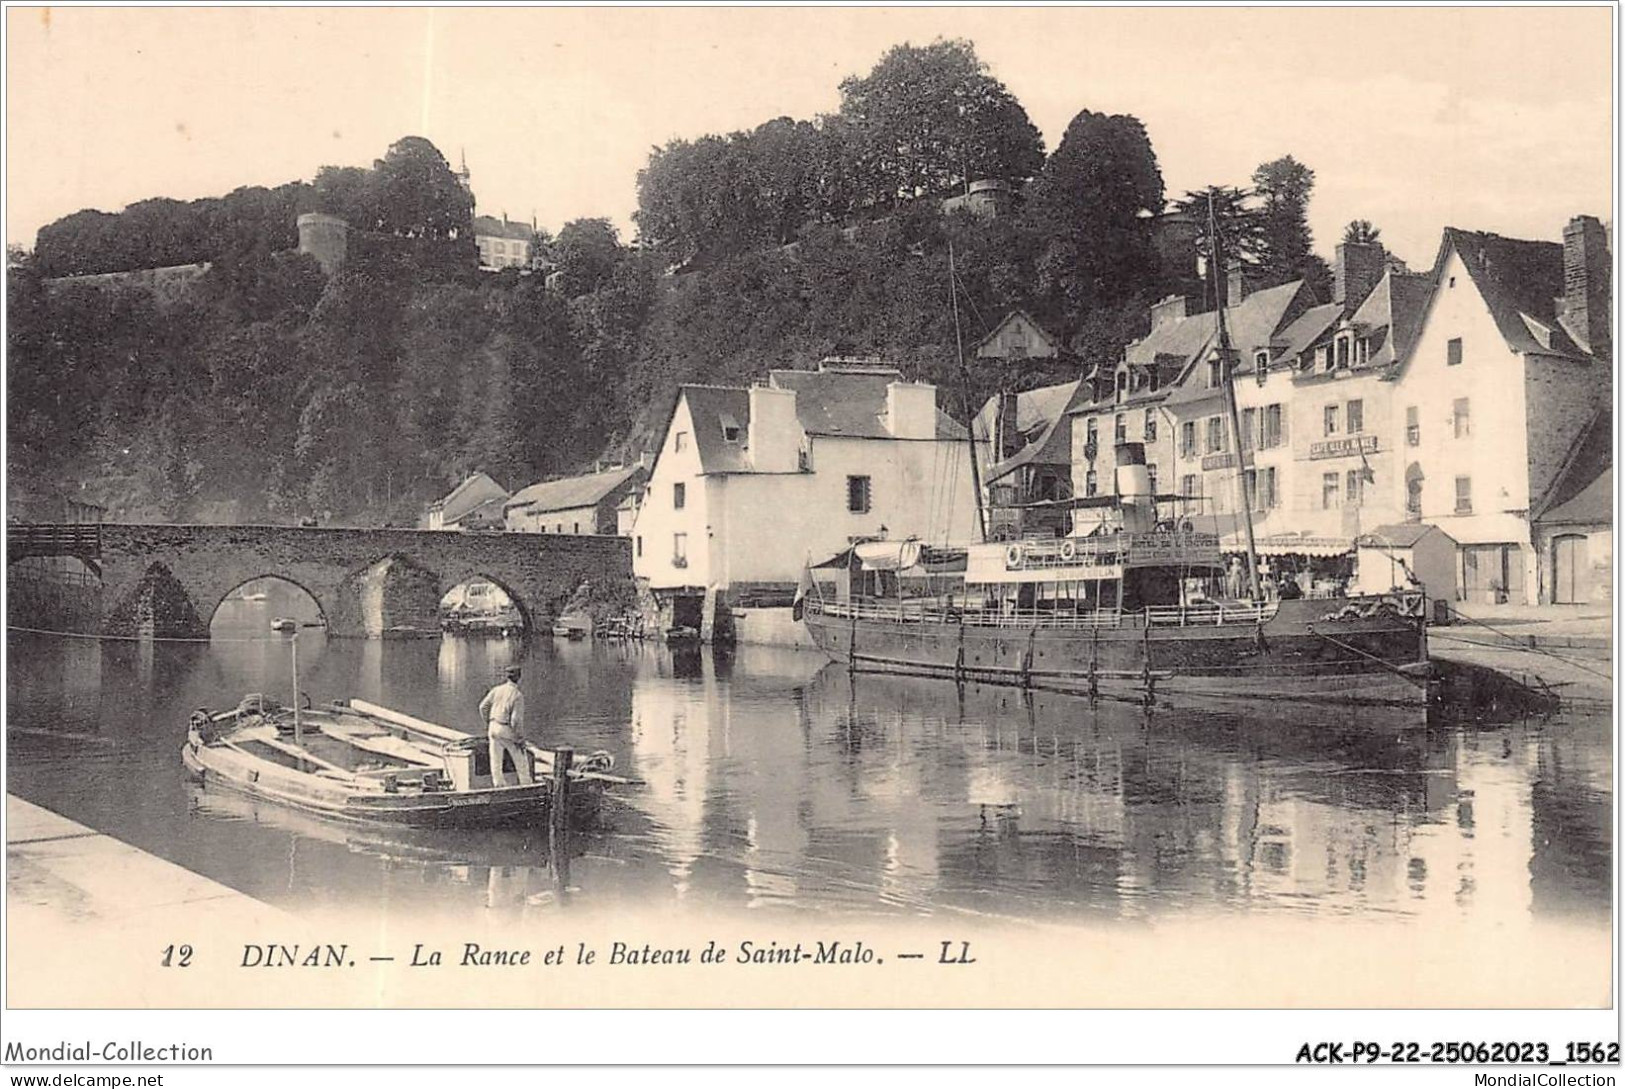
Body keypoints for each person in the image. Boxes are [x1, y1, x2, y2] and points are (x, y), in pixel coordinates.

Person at [478, 665, 531, 787]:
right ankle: (527, 786)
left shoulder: (496, 690)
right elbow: (515, 721)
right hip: (506, 728)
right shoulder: (517, 695)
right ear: (519, 677)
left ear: (507, 677)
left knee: (495, 760)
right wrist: (520, 738)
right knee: (521, 760)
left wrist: (488, 721)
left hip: (493, 726)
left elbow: (483, 707)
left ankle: (499, 786)